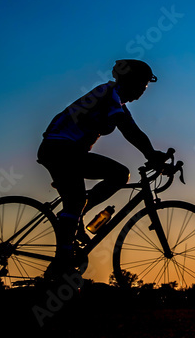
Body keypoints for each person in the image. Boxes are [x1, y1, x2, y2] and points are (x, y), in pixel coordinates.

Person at [37, 59, 169, 267]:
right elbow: (128, 129)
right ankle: (63, 258)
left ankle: (74, 220)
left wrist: (154, 154)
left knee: (114, 178)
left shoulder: (115, 100)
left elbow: (135, 130)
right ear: (130, 82)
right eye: (142, 86)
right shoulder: (108, 94)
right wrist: (151, 156)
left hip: (65, 150)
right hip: (60, 150)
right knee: (83, 196)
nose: (142, 92)